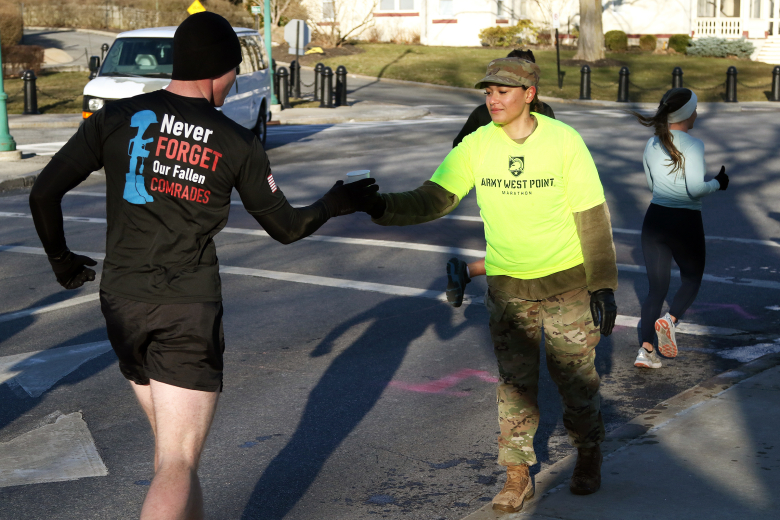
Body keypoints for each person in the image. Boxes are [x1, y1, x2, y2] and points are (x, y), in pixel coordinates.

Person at [28, 12, 377, 520]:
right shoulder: (237, 142)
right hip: (184, 310)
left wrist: (62, 262)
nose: (233, 82)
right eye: (234, 71)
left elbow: (43, 193)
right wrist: (335, 202)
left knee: (170, 457)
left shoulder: (116, 118)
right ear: (219, 70)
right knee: (178, 462)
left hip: (122, 303)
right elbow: (286, 227)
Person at [363, 57, 618, 513]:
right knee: (515, 385)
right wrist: (379, 206)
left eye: (503, 91)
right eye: (488, 91)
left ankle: (588, 453)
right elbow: (434, 198)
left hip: (565, 285)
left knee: (576, 381)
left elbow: (591, 216)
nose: (493, 99)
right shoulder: (478, 144)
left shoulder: (564, 141)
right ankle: (517, 474)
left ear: (529, 94)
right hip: (507, 288)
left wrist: (602, 285)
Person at [447, 49, 555, 307]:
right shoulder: (485, 112)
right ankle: (509, 298)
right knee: (525, 249)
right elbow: (459, 149)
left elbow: (552, 150)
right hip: (507, 190)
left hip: (531, 189)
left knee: (522, 248)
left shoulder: (543, 113)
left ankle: (469, 272)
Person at [632, 88, 728, 369]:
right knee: (692, 279)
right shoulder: (694, 145)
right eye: (695, 109)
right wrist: (718, 183)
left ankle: (645, 351)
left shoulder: (652, 143)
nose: (697, 113)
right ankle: (670, 320)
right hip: (685, 221)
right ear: (687, 114)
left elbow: (652, 185)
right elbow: (695, 188)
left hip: (655, 219)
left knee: (655, 290)